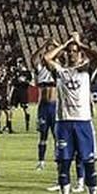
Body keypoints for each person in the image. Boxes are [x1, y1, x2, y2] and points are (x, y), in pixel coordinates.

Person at [43, 33, 97, 194]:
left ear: (80, 55)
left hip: (83, 122)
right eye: (69, 52)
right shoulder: (60, 71)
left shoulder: (86, 70)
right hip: (63, 123)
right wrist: (64, 45)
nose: (71, 54)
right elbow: (46, 58)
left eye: (75, 52)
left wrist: (78, 43)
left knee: (89, 162)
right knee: (63, 162)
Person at [33, 41, 57, 170]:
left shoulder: (57, 69)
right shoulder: (40, 69)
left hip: (55, 106)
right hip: (43, 106)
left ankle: (59, 158)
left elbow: (64, 56)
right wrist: (42, 46)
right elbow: (33, 58)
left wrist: (57, 45)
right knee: (43, 135)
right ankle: (41, 161)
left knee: (57, 135)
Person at [11, 57, 32, 132]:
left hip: (23, 92)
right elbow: (12, 82)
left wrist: (24, 81)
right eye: (18, 63)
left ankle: (27, 126)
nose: (18, 64)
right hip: (16, 91)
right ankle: (10, 127)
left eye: (20, 62)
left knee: (26, 109)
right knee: (12, 109)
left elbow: (30, 82)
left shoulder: (27, 73)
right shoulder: (15, 71)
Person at [0, 64, 13, 134]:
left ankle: (9, 128)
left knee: (8, 113)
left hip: (5, 98)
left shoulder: (7, 79)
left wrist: (9, 95)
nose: (3, 72)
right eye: (1, 71)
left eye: (4, 71)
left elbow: (9, 88)